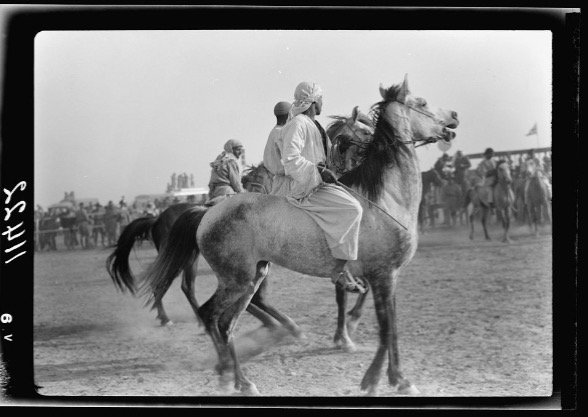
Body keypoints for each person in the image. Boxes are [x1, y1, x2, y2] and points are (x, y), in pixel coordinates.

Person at [272, 81, 365, 293]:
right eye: (321, 98)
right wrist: (319, 171)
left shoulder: (315, 126)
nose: (323, 102)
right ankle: (338, 270)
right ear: (313, 101)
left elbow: (323, 158)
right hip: (307, 188)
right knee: (353, 209)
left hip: (317, 182)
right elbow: (290, 159)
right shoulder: (298, 124)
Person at [262, 100, 291, 196]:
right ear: (289, 115)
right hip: (289, 185)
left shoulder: (273, 132)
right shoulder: (282, 133)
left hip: (278, 183)